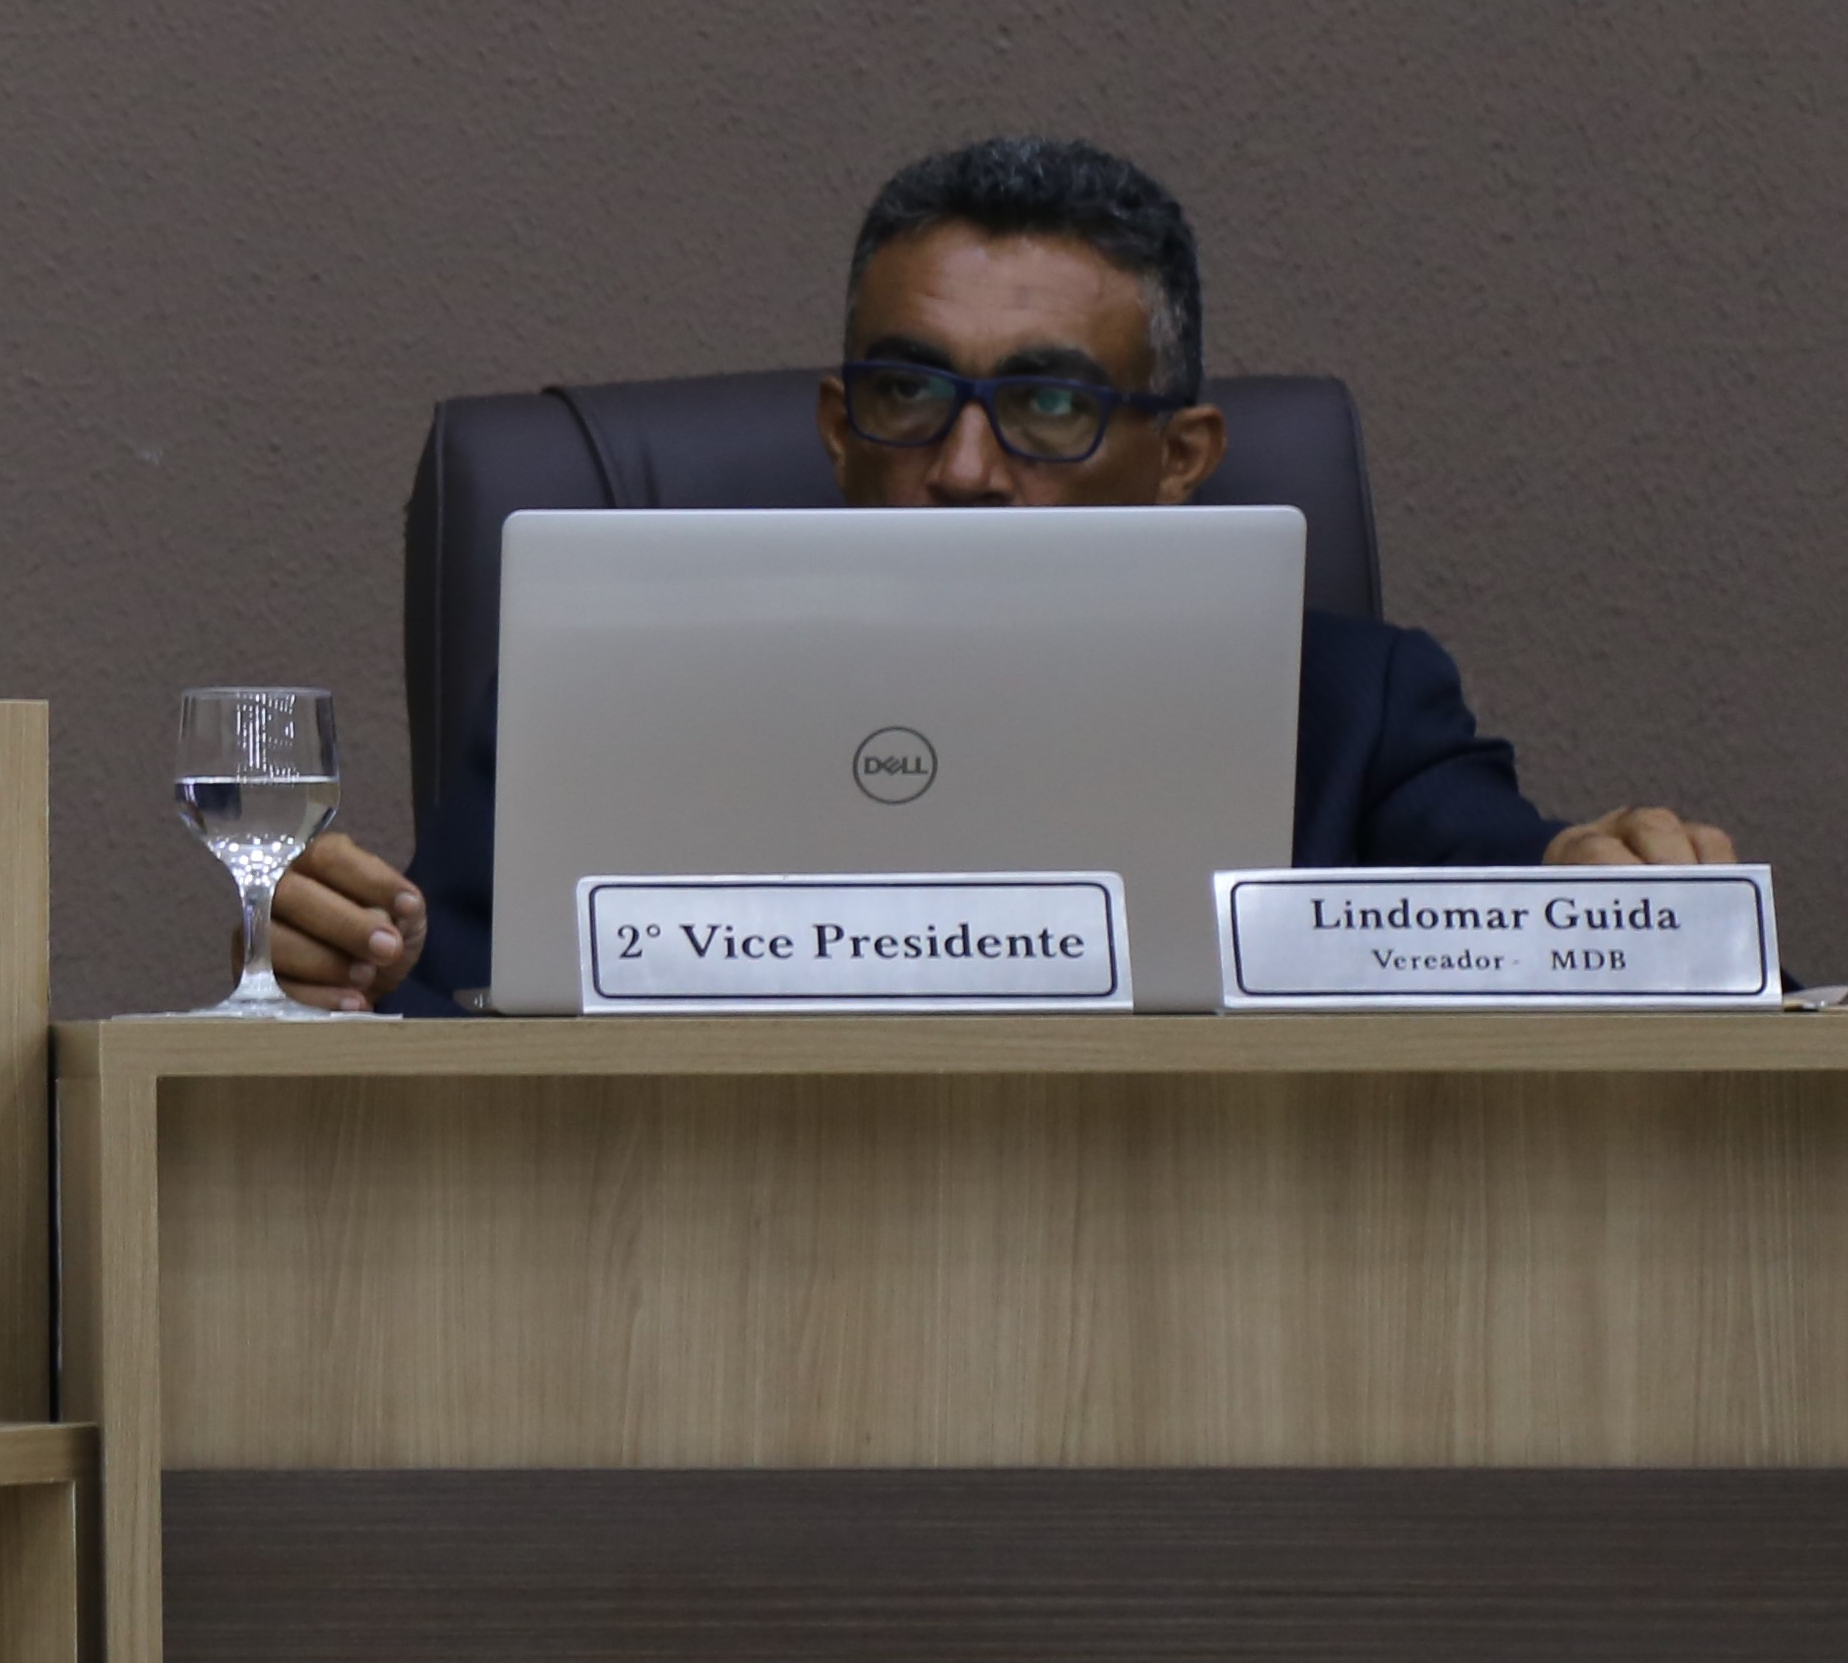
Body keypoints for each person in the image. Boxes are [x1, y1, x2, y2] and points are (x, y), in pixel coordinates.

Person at [270, 136, 1737, 1013]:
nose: (964, 465)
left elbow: (1505, 893)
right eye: (907, 396)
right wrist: (334, 964)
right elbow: (429, 1004)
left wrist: (1588, 880)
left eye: (1044, 407)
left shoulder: (1350, 704)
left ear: (1180, 457)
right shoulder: (594, 692)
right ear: (840, 427)